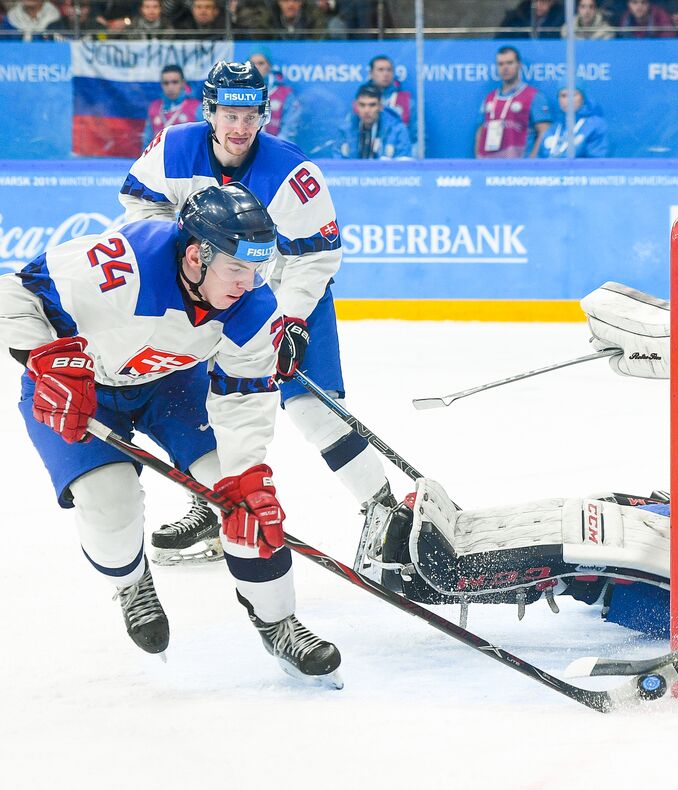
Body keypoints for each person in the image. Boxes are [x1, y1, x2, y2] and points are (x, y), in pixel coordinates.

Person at [0, 182, 342, 685]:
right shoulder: (121, 264)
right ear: (195, 254)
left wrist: (247, 474)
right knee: (108, 505)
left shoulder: (251, 306)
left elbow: (244, 397)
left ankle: (278, 619)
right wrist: (43, 358)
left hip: (171, 386)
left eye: (256, 269)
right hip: (78, 387)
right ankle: (132, 581)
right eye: (236, 269)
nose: (249, 285)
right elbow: (13, 290)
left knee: (247, 502)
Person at [358, 283, 678, 639]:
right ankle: (462, 537)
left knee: (588, 566)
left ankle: (438, 582)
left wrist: (641, 571)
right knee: (601, 508)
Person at [116, 61, 401, 567]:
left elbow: (314, 255)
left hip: (282, 293)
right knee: (195, 399)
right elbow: (142, 213)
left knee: (312, 409)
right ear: (210, 113)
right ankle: (211, 502)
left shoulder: (290, 172)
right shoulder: (174, 148)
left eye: (251, 115)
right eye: (230, 114)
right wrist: (182, 269)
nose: (241, 128)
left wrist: (290, 317)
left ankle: (384, 514)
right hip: (203, 293)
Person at [474, 46, 551, 159]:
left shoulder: (533, 96)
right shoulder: (490, 98)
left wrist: (532, 160)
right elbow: (480, 131)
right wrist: (478, 159)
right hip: (489, 167)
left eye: (510, 63)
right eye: (501, 64)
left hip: (519, 168)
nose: (505, 68)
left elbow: (544, 131)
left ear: (519, 64)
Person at [335, 83, 412, 159]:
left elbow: (404, 165)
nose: (367, 110)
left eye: (372, 105)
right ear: (356, 106)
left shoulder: (397, 130)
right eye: (362, 105)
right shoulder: (345, 130)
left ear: (380, 106)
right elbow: (337, 163)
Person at [248, 47, 302, 141]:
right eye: (252, 64)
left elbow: (289, 129)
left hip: (276, 148)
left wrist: (275, 148)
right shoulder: (241, 92)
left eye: (261, 63)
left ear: (269, 66)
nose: (256, 67)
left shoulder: (285, 93)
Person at [540, 87, 610, 159]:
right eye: (563, 96)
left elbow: (597, 162)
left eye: (573, 95)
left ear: (583, 98)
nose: (568, 100)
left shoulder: (595, 125)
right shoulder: (554, 128)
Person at [144, 65, 201, 148]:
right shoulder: (154, 107)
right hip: (159, 159)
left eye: (175, 82)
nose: (170, 87)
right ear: (161, 84)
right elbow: (147, 140)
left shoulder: (196, 107)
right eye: (166, 83)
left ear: (183, 83)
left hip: (188, 158)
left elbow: (204, 140)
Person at [366, 54, 412, 135]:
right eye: (380, 70)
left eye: (389, 70)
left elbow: (418, 138)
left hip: (399, 147)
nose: (386, 74)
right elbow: (352, 134)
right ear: (371, 73)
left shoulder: (407, 102)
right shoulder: (362, 100)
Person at [498, 0, 566, 38]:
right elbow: (500, 39)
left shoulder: (561, 18)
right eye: (535, 1)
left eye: (544, 2)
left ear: (552, 2)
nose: (538, 5)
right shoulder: (516, 17)